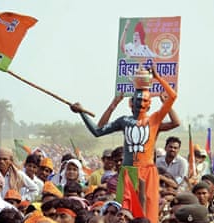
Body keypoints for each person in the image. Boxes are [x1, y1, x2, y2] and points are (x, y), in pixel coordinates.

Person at [70, 66, 176, 223]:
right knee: (124, 215)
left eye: (145, 100)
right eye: (138, 100)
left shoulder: (154, 120)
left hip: (148, 171)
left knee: (148, 216)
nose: (141, 103)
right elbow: (98, 131)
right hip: (128, 172)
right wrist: (82, 114)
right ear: (130, 103)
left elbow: (173, 97)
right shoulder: (124, 121)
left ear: (149, 104)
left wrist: (158, 77)